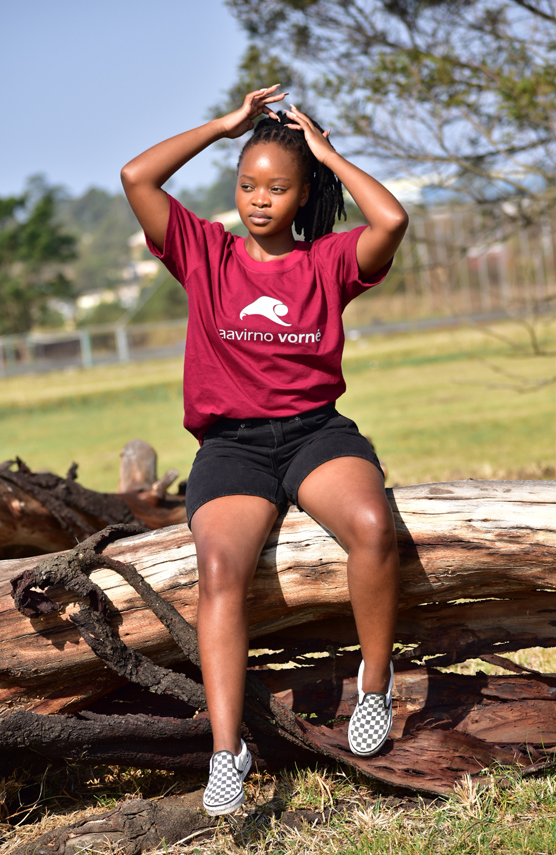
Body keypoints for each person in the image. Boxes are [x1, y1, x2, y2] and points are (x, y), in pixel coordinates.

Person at [121, 84, 408, 817]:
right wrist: (225, 125)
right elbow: (136, 176)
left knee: (372, 525)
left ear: (303, 193)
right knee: (220, 570)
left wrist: (327, 155)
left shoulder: (328, 261)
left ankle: (375, 686)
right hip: (232, 447)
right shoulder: (204, 252)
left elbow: (392, 219)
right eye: (248, 184)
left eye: (278, 188)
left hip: (316, 433)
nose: (258, 199)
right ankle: (227, 751)